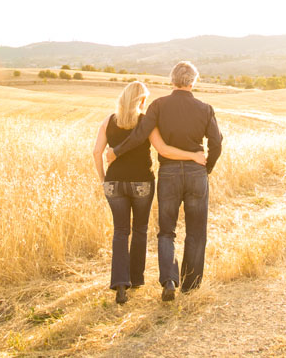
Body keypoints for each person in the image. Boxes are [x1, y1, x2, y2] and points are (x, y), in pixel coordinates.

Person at [107, 61, 223, 301]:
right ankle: (190, 286)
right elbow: (217, 142)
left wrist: (117, 151)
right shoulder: (205, 108)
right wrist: (207, 167)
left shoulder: (158, 106)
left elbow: (139, 135)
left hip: (168, 174)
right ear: (193, 81)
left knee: (166, 231)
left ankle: (169, 280)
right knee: (196, 232)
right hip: (196, 174)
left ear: (172, 81)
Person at [92, 80, 206, 305]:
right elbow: (163, 149)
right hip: (142, 183)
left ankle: (120, 285)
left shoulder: (108, 121)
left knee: (120, 231)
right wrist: (193, 156)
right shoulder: (146, 122)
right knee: (140, 230)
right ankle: (136, 279)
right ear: (142, 100)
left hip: (114, 183)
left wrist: (103, 179)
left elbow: (97, 152)